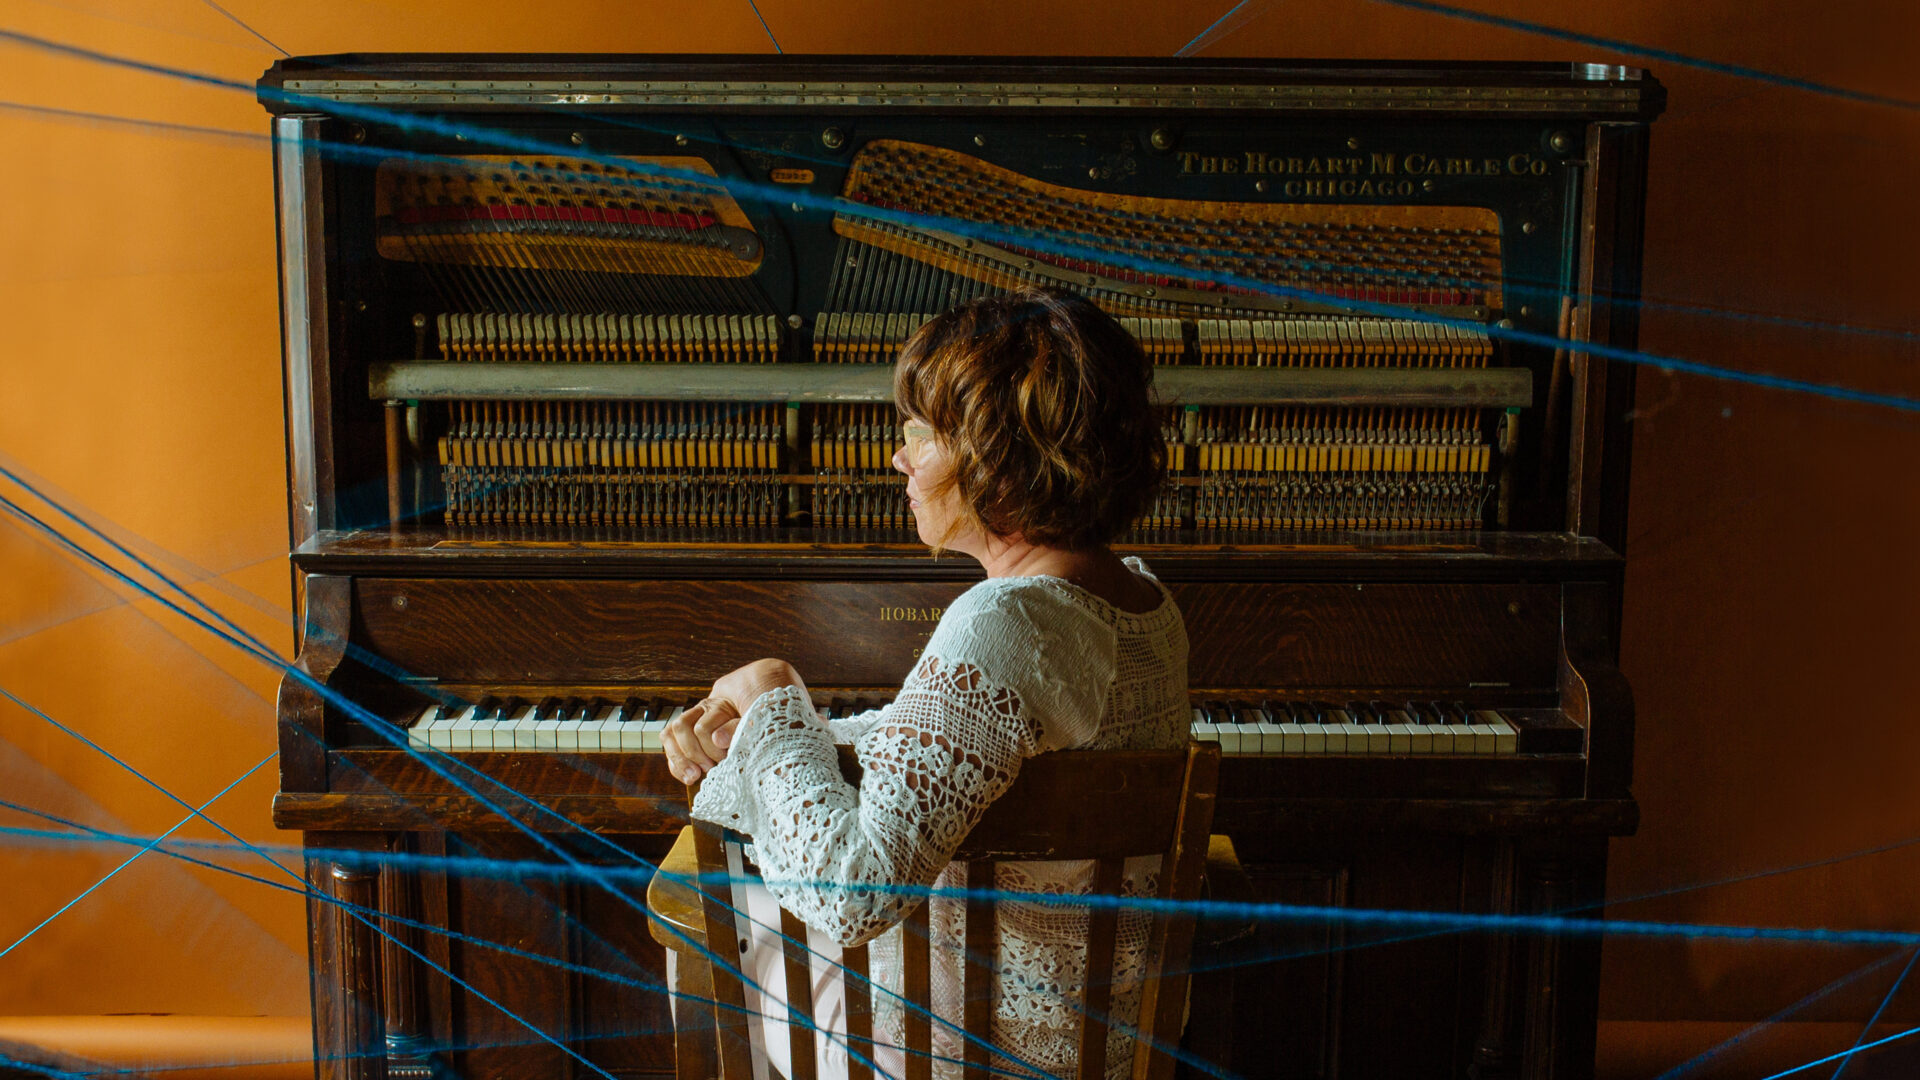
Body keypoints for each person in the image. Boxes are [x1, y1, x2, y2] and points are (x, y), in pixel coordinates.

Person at [662, 287, 1190, 1080]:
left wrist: (773, 690)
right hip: (1106, 1044)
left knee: (714, 900)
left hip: (967, 1057)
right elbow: (945, 740)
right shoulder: (1145, 601)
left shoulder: (1004, 619)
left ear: (997, 453)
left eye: (921, 432)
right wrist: (791, 739)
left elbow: (851, 895)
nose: (899, 457)